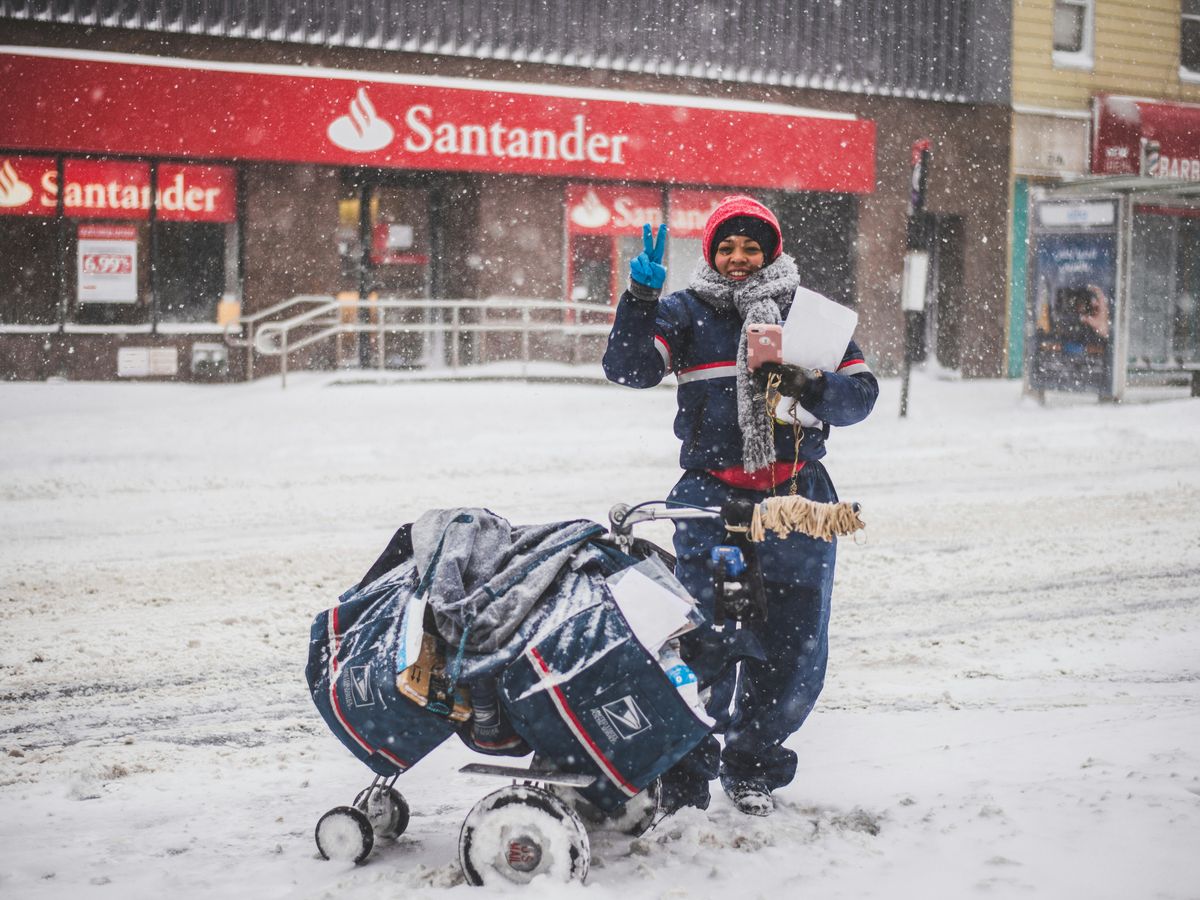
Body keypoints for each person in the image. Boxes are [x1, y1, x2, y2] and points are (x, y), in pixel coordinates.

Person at [602, 195, 878, 817]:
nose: (738, 257)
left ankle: (752, 765)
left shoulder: (813, 319)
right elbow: (628, 369)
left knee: (794, 646)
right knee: (709, 639)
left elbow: (861, 396)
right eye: (726, 246)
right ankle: (687, 775)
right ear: (710, 251)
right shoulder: (685, 314)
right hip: (714, 502)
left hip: (798, 502)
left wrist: (807, 383)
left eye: (751, 246)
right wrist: (640, 302)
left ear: (772, 250)